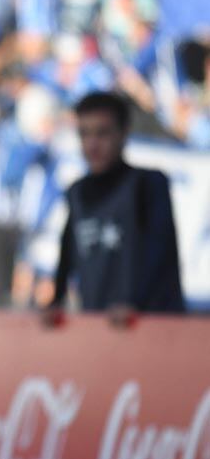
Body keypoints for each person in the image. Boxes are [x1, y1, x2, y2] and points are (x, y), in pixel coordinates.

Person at [45, 91, 185, 321]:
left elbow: (160, 254)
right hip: (99, 331)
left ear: (124, 133)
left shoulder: (148, 184)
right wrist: (56, 299)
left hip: (150, 330)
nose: (92, 144)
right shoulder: (77, 192)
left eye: (102, 133)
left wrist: (134, 305)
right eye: (84, 134)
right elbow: (68, 250)